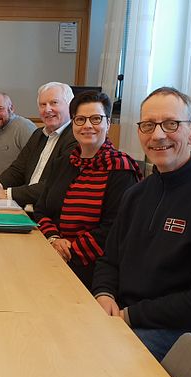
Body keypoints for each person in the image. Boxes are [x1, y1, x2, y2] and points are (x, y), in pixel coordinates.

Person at [91, 87, 191, 361]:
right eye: (148, 125)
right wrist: (104, 295)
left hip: (184, 331)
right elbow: (109, 260)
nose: (158, 135)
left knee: (99, 359)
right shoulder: (136, 194)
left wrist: (131, 315)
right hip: (127, 316)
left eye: (171, 124)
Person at [34, 91, 141, 289]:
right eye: (80, 119)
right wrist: (54, 239)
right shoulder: (64, 162)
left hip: (95, 272)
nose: (87, 125)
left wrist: (70, 252)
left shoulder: (121, 168)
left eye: (96, 119)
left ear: (108, 124)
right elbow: (41, 209)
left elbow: (114, 228)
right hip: (53, 256)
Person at [0, 82, 78, 209]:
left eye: (54, 103)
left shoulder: (76, 139)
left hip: (47, 215)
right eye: (42, 105)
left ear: (70, 106)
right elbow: (18, 169)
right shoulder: (39, 135)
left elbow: (54, 185)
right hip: (24, 208)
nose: (47, 109)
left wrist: (7, 193)